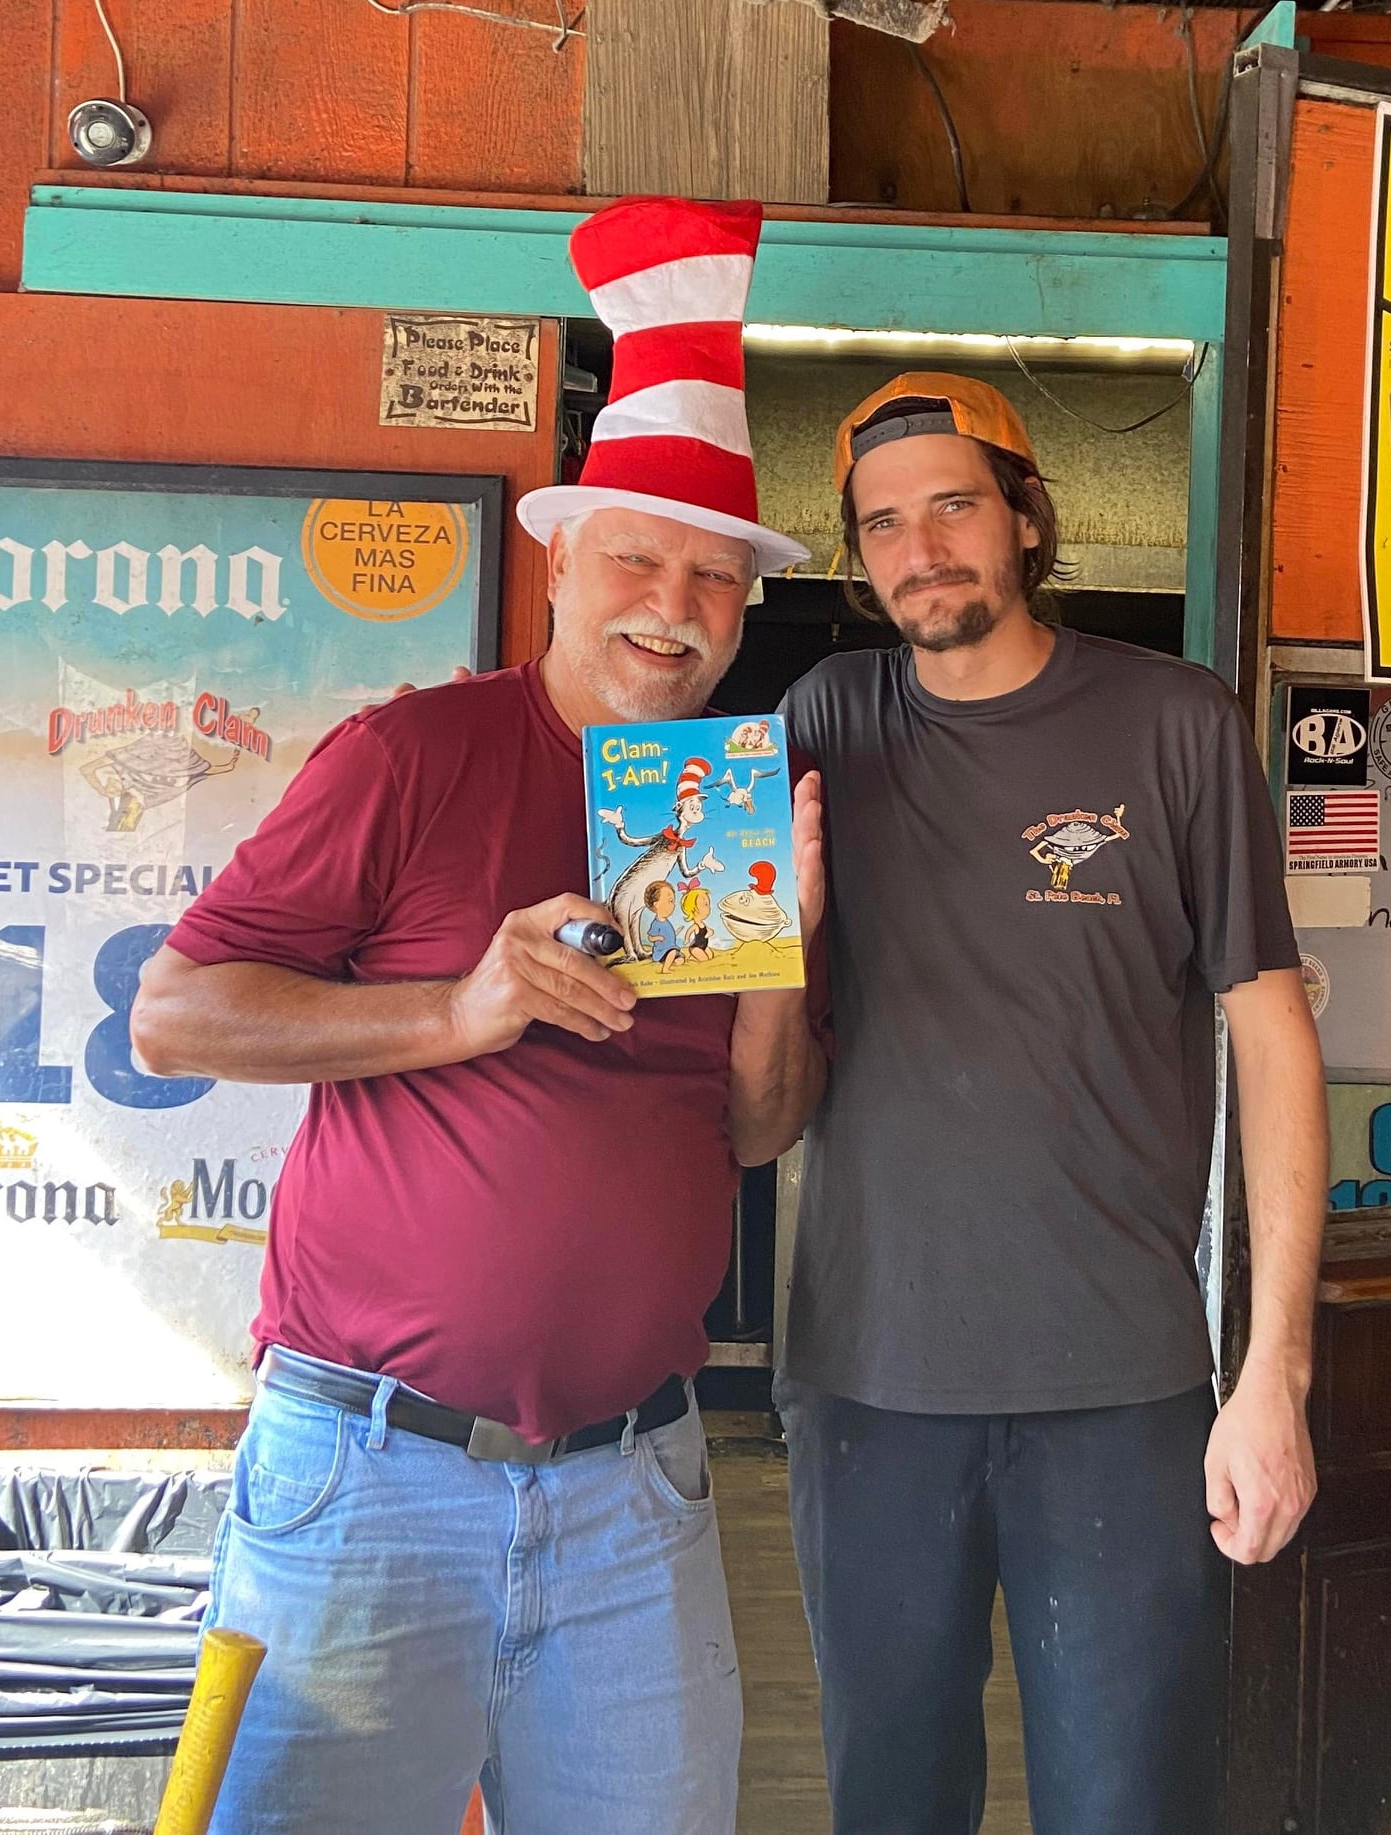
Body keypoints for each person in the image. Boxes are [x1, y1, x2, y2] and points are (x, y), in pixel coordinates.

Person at [128, 195, 821, 1835]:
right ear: (561, 559)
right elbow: (173, 1015)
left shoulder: (725, 801)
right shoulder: (416, 755)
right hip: (372, 1476)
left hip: (636, 1489)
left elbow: (757, 1130)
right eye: (638, 558)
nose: (674, 605)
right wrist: (462, 1009)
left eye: (715, 578)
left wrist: (782, 958)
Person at [765, 373, 1328, 1835]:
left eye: (954, 506)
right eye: (882, 524)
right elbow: (757, 1049)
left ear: (1025, 517)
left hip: (1120, 1383)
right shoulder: (826, 719)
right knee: (892, 1802)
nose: (920, 550)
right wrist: (781, 931)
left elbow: (1272, 1040)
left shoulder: (1174, 723)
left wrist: (1272, 1375)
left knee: (1129, 1804)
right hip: (870, 1381)